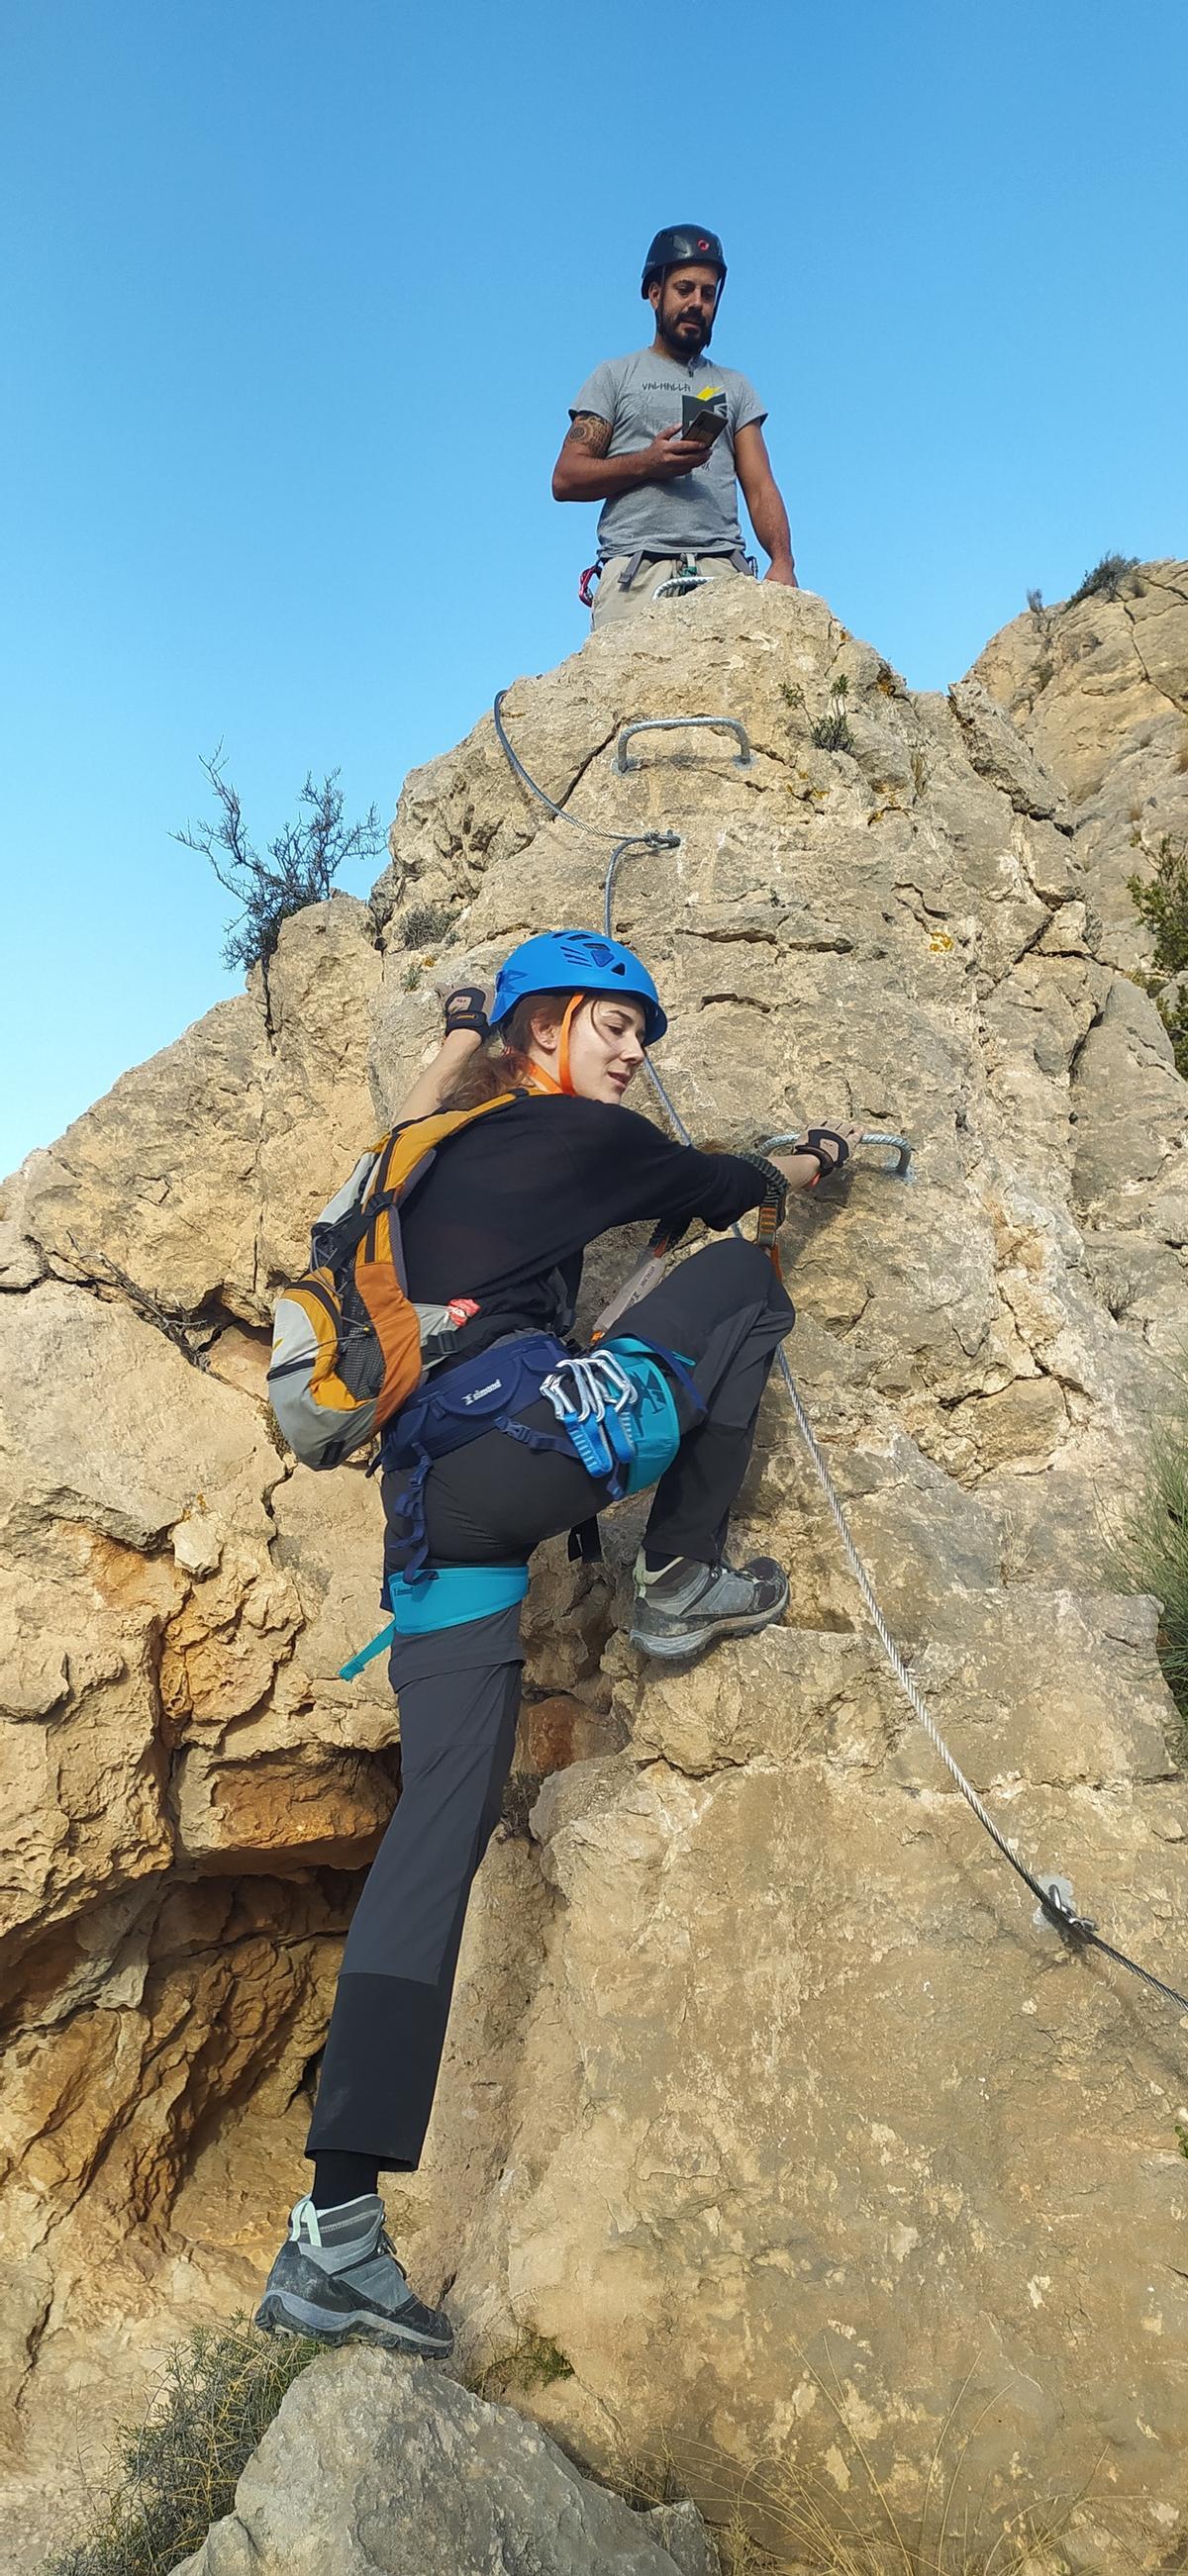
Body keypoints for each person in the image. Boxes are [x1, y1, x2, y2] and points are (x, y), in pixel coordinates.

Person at [256, 931, 856, 2357]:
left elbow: (457, 1142)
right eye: (612, 1022)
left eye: (644, 1029)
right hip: (515, 1449)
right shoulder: (580, 1133)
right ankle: (680, 1580)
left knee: (433, 1839)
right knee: (746, 1289)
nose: (635, 1047)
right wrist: (806, 1163)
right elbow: (738, 1192)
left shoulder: (433, 1145)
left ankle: (334, 2232)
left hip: (429, 1505)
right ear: (542, 1033)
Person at [552, 225, 797, 629]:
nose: (697, 303)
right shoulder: (614, 376)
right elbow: (565, 479)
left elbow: (760, 486)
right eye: (684, 289)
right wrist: (648, 463)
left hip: (724, 573)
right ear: (654, 293)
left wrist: (783, 562)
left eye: (708, 293)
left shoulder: (734, 386)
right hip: (635, 574)